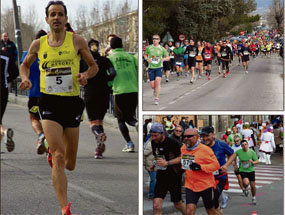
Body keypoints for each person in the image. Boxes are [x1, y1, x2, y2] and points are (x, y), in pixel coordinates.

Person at [19, 1, 99, 214]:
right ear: (46, 19)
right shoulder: (39, 44)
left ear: (65, 19)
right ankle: (64, 207)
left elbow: (94, 66)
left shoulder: (77, 41)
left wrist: (84, 75)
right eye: (52, 14)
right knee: (58, 155)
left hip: (71, 103)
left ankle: (55, 159)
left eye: (60, 14)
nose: (56, 17)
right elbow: (24, 64)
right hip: (48, 102)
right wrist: (25, 79)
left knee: (70, 163)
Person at [170, 128, 220, 215]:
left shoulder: (205, 150)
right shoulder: (183, 148)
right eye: (184, 136)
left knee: (210, 211)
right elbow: (183, 160)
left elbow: (216, 165)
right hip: (190, 185)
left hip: (205, 185)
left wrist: (201, 167)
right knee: (189, 211)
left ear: (197, 137)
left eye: (189, 136)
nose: (186, 138)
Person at [80, 39, 116, 159]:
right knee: (99, 121)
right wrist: (105, 79)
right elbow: (113, 73)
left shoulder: (83, 61)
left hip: (90, 93)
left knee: (92, 122)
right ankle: (98, 150)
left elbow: (78, 75)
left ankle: (99, 135)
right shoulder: (105, 60)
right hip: (104, 93)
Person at [107, 36, 138, 152]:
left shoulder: (109, 58)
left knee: (120, 119)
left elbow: (108, 75)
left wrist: (109, 85)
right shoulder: (131, 57)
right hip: (133, 90)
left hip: (119, 91)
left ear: (111, 46)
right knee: (130, 117)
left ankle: (129, 143)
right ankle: (137, 124)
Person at [20, 29, 47, 155]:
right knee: (49, 120)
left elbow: (23, 67)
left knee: (34, 118)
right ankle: (49, 143)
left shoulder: (27, 53)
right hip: (49, 94)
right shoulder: (50, 53)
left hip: (34, 93)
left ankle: (41, 135)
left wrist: (25, 80)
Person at [149, 122, 186, 215]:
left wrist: (167, 163)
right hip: (161, 176)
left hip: (174, 176)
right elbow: (157, 155)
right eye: (151, 135)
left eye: (155, 135)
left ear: (162, 133)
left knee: (177, 204)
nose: (153, 138)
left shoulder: (173, 142)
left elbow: (184, 156)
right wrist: (154, 164)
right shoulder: (154, 142)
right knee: (156, 205)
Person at [200, 126, 234, 211]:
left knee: (214, 199)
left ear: (213, 135)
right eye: (203, 136)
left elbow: (233, 154)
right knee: (212, 203)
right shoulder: (201, 145)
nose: (205, 138)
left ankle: (221, 201)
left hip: (220, 176)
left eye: (207, 136)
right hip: (207, 177)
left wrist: (226, 165)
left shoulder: (221, 144)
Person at [222, 140, 259, 205]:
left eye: (245, 144)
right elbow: (233, 157)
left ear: (248, 145)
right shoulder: (239, 152)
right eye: (243, 145)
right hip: (243, 170)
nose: (244, 146)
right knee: (246, 182)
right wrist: (235, 164)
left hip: (251, 170)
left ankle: (254, 197)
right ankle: (246, 188)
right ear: (241, 146)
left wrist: (253, 162)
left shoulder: (251, 152)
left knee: (253, 186)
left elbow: (257, 161)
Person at [0, 50, 19, 152]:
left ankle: (4, 131)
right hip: (3, 89)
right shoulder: (6, 55)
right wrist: (6, 80)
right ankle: (4, 131)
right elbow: (15, 72)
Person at [144, 35, 169, 105]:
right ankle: (155, 90)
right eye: (153, 39)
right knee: (152, 85)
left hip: (159, 68)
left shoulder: (162, 48)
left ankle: (156, 98)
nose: (154, 40)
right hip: (151, 68)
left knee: (157, 81)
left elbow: (168, 57)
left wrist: (164, 59)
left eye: (156, 39)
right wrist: (147, 59)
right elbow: (145, 55)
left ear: (159, 40)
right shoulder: (149, 48)